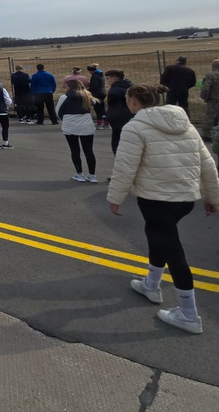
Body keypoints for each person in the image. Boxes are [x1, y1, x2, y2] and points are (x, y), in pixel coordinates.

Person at [107, 83, 219, 335]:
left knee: (172, 250)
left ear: (134, 101)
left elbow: (125, 167)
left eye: (128, 99)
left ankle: (189, 313)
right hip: (185, 199)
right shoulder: (185, 123)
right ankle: (152, 284)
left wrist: (115, 196)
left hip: (156, 199)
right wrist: (212, 196)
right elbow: (208, 164)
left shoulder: (134, 127)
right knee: (157, 235)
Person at [56, 79, 97, 182]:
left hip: (70, 125)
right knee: (88, 150)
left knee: (75, 150)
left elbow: (58, 111)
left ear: (69, 87)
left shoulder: (65, 97)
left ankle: (79, 173)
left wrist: (64, 120)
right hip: (86, 124)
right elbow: (95, 103)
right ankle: (92, 175)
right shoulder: (87, 96)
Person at [105, 70, 135, 155]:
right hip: (131, 117)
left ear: (114, 79)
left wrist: (110, 117)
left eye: (107, 79)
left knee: (117, 142)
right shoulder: (130, 87)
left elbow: (113, 107)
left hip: (118, 120)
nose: (106, 81)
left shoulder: (114, 91)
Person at [199, 59, 219, 141]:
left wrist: (204, 97)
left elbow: (205, 88)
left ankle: (207, 135)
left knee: (209, 117)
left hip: (213, 100)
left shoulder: (211, 75)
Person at [88, 64, 107, 128]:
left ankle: (99, 124)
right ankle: (106, 123)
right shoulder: (101, 75)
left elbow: (94, 86)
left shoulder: (94, 76)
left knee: (97, 109)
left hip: (97, 94)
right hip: (102, 93)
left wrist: (88, 90)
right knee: (102, 108)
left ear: (91, 71)